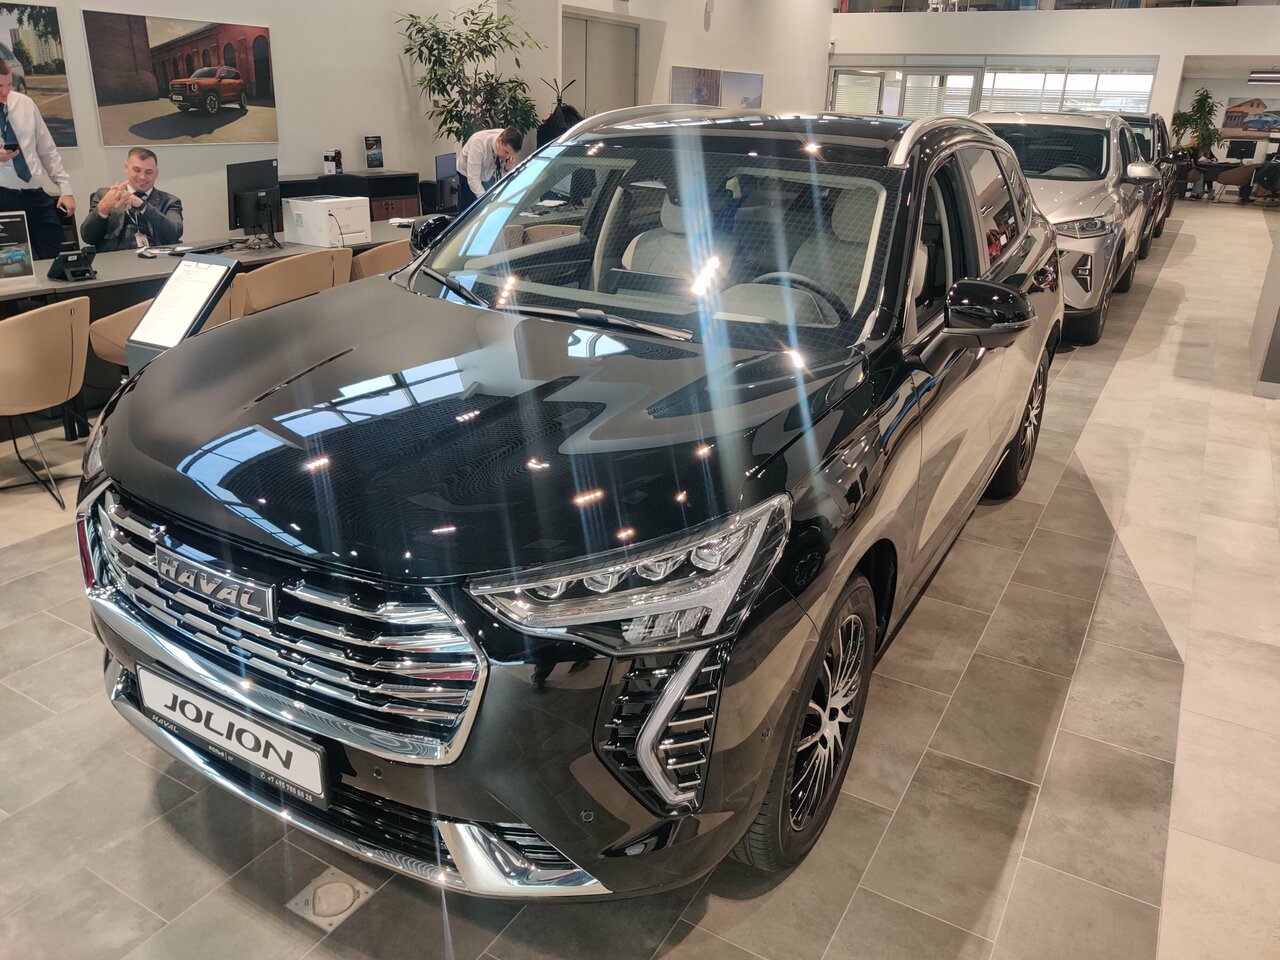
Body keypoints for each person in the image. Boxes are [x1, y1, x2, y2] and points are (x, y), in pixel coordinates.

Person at [0, 59, 74, 259]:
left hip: (35, 194)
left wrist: (65, 189)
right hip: (3, 198)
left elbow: (47, 150)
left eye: (9, 85)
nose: (5, 92)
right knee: (14, 265)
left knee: (59, 257)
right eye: (0, 86)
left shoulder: (24, 103)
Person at [81, 147, 183, 251]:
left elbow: (174, 233)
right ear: (126, 168)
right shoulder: (104, 195)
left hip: (155, 256)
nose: (142, 177)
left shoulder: (169, 201)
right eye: (137, 170)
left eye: (149, 172)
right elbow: (88, 238)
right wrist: (102, 209)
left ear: (156, 173)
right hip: (114, 256)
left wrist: (143, 206)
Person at [456, 126, 523, 211]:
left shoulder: (507, 140)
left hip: (487, 175)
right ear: (499, 141)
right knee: (471, 213)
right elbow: (473, 180)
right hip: (466, 178)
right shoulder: (478, 144)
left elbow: (501, 171)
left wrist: (506, 168)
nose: (507, 157)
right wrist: (487, 203)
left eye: (511, 155)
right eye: (506, 152)